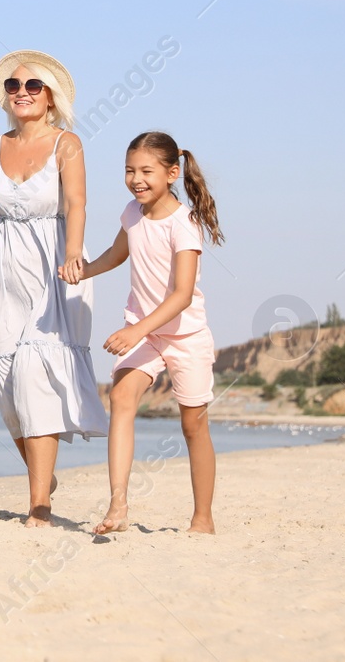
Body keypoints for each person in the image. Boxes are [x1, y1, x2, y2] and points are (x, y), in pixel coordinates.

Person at [0, 50, 106, 527]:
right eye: (13, 86)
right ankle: (43, 476)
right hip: (3, 268)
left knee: (37, 378)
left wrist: (74, 255)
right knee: (6, 382)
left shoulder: (68, 144)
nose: (21, 92)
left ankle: (38, 503)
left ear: (51, 96)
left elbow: (77, 204)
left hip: (55, 265)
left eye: (32, 86)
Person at [68, 131, 224, 534]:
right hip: (148, 334)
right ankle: (117, 507)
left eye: (146, 171)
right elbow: (119, 254)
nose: (136, 179)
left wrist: (136, 330)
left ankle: (202, 519)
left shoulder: (184, 224)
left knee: (193, 426)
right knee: (121, 396)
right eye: (129, 170)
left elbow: (183, 295)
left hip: (184, 334)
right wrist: (85, 269)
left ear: (172, 173)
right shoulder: (132, 213)